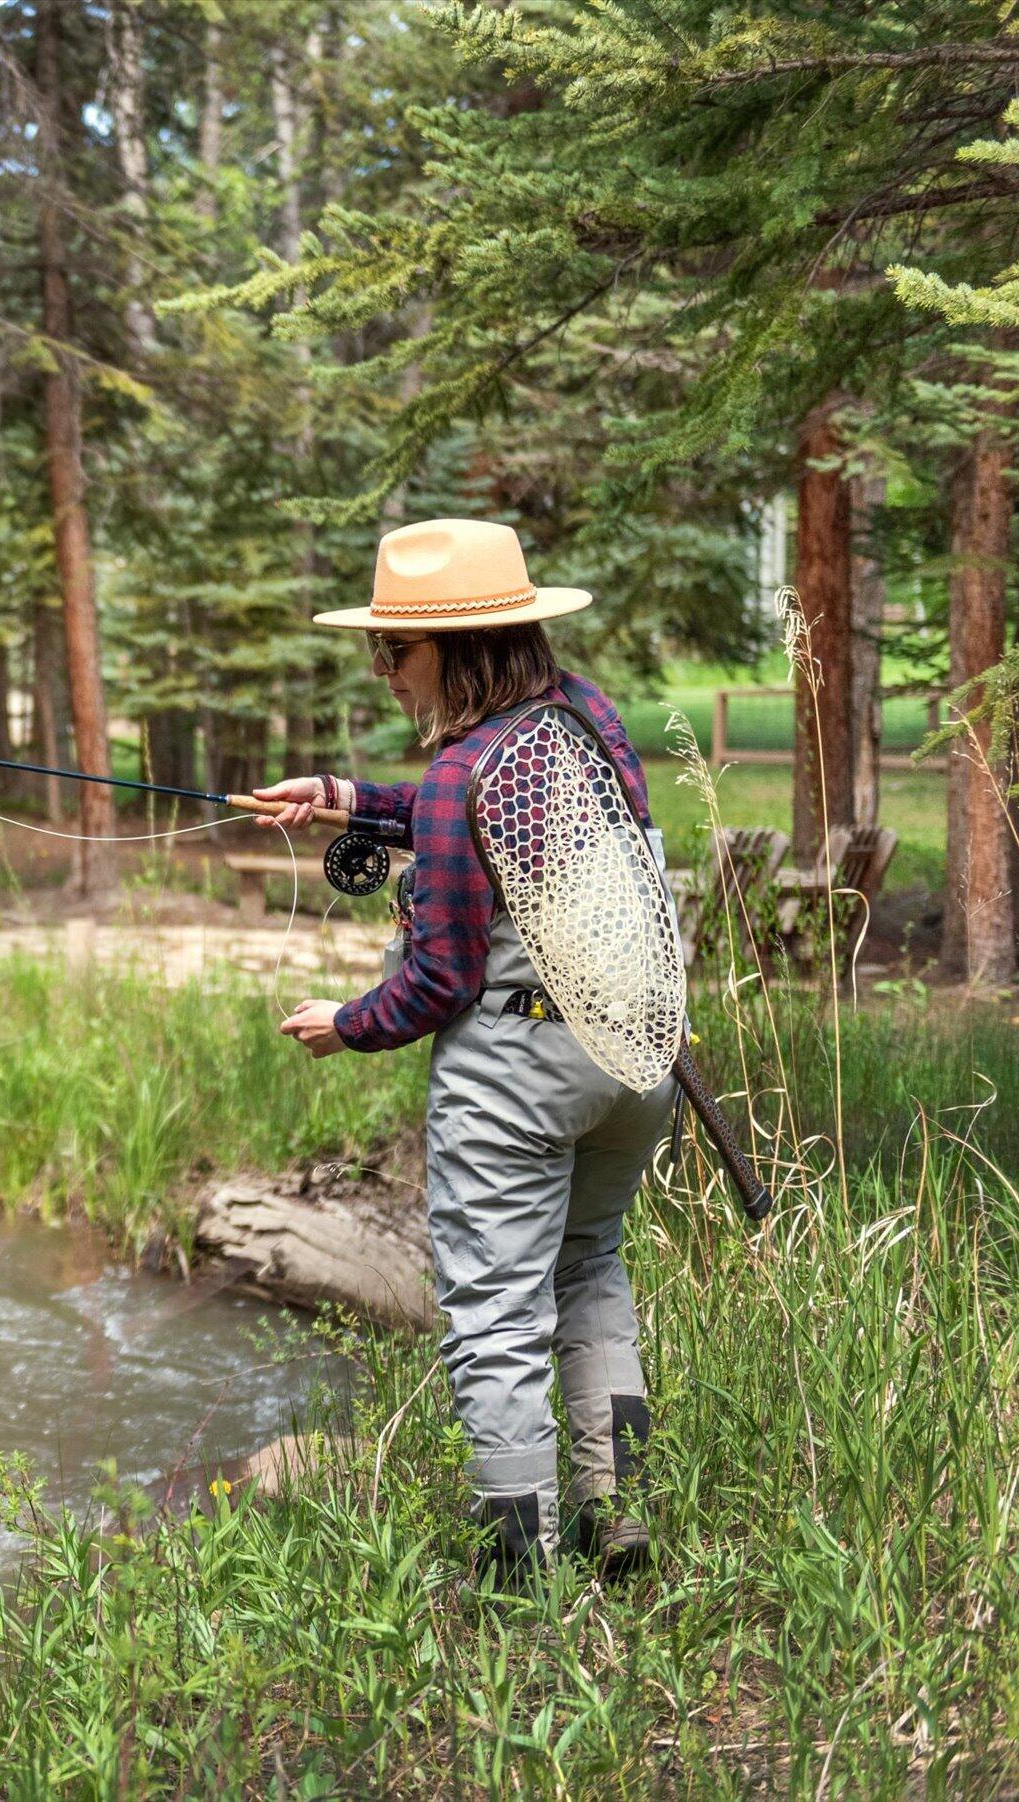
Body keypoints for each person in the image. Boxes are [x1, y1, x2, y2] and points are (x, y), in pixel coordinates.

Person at [255, 517, 674, 1589]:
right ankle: (617, 1515)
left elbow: (437, 982)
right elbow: (486, 817)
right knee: (590, 1267)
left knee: (494, 1316)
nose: (385, 669)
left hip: (516, 1075)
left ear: (461, 646)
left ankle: (519, 1577)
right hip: (632, 1059)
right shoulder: (587, 719)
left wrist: (343, 1024)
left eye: (396, 648)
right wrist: (345, 798)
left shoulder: (461, 773)